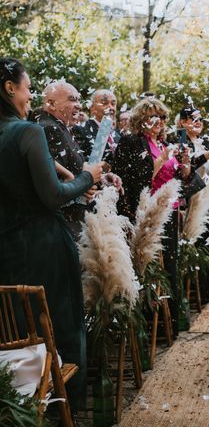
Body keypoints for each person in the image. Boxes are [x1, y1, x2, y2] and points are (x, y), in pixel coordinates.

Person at [0, 58, 103, 411]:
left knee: (13, 332)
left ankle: (20, 405)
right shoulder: (27, 132)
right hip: (43, 248)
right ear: (9, 88)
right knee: (60, 327)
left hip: (5, 251)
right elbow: (54, 197)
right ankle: (65, 408)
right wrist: (88, 176)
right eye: (28, 88)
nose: (29, 97)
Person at [112, 96, 193, 336]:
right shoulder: (131, 142)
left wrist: (184, 164)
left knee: (171, 265)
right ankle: (152, 325)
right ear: (141, 120)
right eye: (152, 117)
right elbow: (134, 180)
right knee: (153, 267)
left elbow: (180, 179)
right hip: (147, 213)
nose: (159, 121)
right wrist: (161, 160)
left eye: (162, 117)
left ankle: (173, 322)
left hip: (171, 210)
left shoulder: (163, 142)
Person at [38, 80, 97, 238]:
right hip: (62, 224)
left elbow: (75, 168)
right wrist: (85, 182)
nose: (78, 105)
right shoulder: (49, 128)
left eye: (79, 100)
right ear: (51, 103)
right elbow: (55, 184)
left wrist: (97, 178)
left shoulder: (62, 127)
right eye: (72, 99)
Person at [73, 89, 118, 160]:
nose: (110, 108)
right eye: (104, 103)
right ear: (92, 108)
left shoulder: (117, 134)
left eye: (113, 104)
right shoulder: (81, 130)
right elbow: (79, 159)